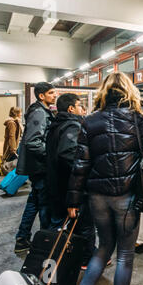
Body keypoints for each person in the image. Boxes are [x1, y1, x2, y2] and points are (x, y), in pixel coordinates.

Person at [67, 72, 143, 285]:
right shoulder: (140, 119)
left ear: (104, 92)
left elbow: (80, 164)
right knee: (125, 255)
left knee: (103, 247)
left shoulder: (89, 121)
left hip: (97, 196)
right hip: (127, 196)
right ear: (129, 91)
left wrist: (73, 199)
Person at [45, 93, 97, 270]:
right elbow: (69, 154)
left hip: (57, 184)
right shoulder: (73, 126)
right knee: (85, 225)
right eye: (80, 105)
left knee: (65, 225)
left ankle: (64, 256)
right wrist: (87, 168)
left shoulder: (56, 124)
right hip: (71, 187)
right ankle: (86, 259)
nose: (83, 109)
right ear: (71, 109)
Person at [14, 82, 56, 253]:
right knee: (44, 205)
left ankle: (22, 238)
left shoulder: (40, 111)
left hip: (36, 167)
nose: (55, 95)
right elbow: (33, 142)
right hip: (40, 168)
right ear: (41, 96)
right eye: (51, 93)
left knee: (34, 202)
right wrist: (52, 155)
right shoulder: (39, 112)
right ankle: (45, 242)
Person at [1, 107, 23, 175]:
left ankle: (14, 179)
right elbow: (12, 137)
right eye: (20, 112)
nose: (21, 114)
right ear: (16, 113)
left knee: (14, 164)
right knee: (11, 164)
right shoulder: (11, 123)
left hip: (17, 145)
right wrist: (13, 150)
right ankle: (10, 180)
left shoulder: (17, 122)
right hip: (13, 147)